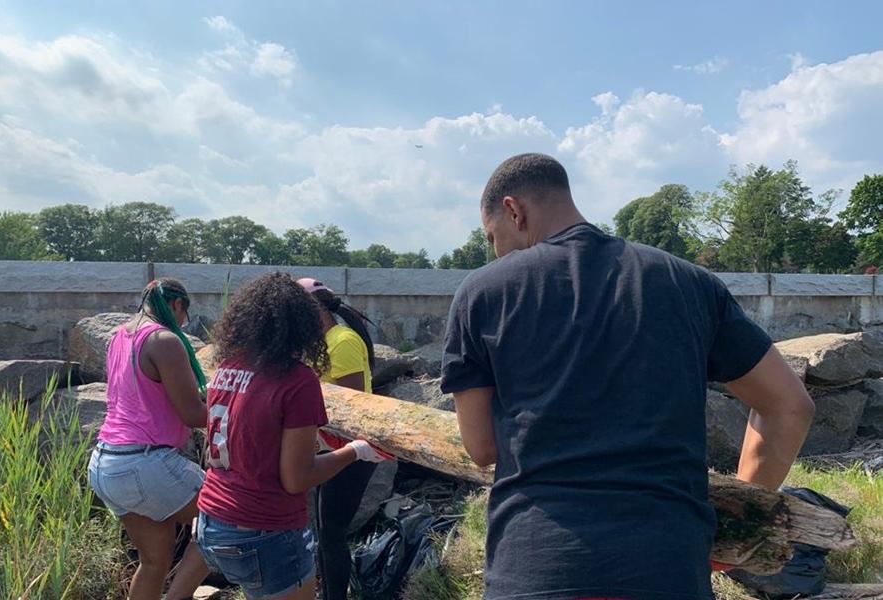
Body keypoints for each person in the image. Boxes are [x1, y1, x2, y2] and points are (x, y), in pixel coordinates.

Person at [441, 153, 816, 600]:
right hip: (668, 566)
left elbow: (482, 448)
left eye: (492, 237)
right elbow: (789, 406)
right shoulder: (690, 283)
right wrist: (742, 514)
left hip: (536, 566)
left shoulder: (481, 292)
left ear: (514, 211)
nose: (496, 252)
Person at [196, 272, 390, 600]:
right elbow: (297, 478)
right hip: (264, 527)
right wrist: (355, 451)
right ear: (302, 321)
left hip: (211, 520)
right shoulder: (296, 379)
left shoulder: (227, 367)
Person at [88, 278, 209, 600]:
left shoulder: (121, 335)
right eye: (184, 315)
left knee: (154, 560)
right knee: (227, 519)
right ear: (177, 304)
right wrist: (237, 408)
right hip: (144, 463)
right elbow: (194, 415)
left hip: (106, 463)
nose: (183, 323)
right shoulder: (164, 340)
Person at [297, 277, 378, 600]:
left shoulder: (342, 342)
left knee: (331, 532)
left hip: (352, 451)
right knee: (323, 530)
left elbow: (352, 405)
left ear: (314, 310)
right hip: (329, 447)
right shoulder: (320, 343)